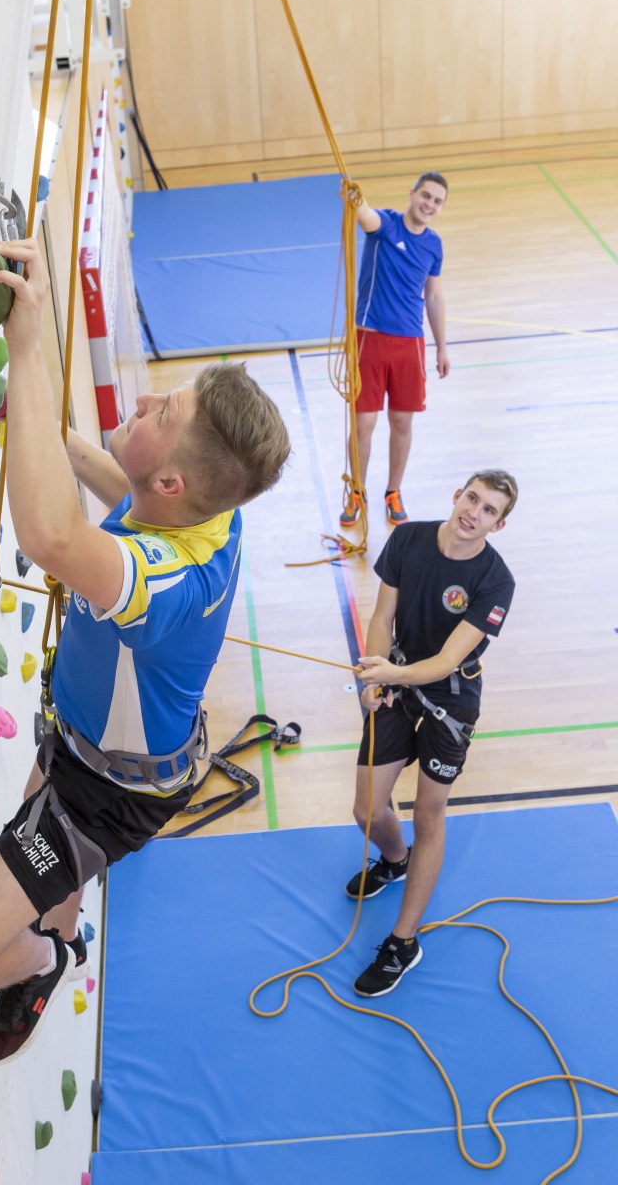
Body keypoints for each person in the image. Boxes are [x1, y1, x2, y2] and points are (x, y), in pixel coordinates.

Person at [0, 237, 291, 1066]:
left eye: (161, 415)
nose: (144, 399)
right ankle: (54, 933)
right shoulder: (208, 507)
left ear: (173, 483)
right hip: (86, 733)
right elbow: (119, 486)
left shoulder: (169, 581)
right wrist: (51, 431)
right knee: (42, 866)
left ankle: (41, 960)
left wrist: (29, 347)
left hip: (108, 792)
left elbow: (54, 537)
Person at [347, 470, 517, 997]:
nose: (474, 513)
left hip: (451, 698)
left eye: (489, 510)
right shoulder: (407, 539)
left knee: (427, 814)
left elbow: (446, 660)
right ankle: (395, 860)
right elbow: (383, 617)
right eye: (472, 498)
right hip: (397, 679)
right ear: (457, 495)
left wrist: (390, 676)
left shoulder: (496, 580)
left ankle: (403, 942)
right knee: (367, 810)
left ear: (499, 525)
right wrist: (376, 677)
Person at [341, 172, 450, 530]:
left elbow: (433, 296)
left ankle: (393, 492)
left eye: (437, 201)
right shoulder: (386, 225)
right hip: (370, 340)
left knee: (402, 422)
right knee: (364, 424)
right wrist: (355, 200)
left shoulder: (433, 244)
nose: (429, 204)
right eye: (426, 196)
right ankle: (357, 491)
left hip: (409, 344)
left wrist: (441, 347)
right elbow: (365, 215)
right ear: (412, 194)